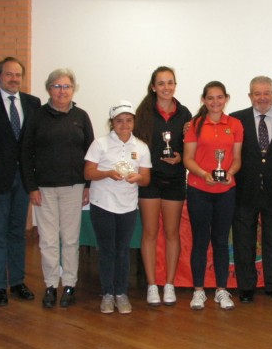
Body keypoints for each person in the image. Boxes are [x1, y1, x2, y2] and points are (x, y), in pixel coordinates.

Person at [21, 68, 94, 309]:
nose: (62, 91)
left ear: (74, 89)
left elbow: (91, 154)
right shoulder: (36, 116)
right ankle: (51, 285)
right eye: (57, 86)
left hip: (74, 187)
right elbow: (25, 153)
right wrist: (31, 187)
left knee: (71, 239)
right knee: (48, 241)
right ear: (49, 89)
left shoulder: (81, 116)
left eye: (67, 87)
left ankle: (70, 285)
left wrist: (88, 185)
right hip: (44, 188)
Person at [0, 57, 41, 307]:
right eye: (8, 74)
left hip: (23, 178)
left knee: (18, 233)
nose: (14, 79)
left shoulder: (33, 103)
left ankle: (18, 282)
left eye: (18, 75)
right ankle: (0, 286)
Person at [231, 76, 272, 304]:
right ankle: (246, 287)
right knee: (243, 241)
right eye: (257, 93)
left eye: (266, 92)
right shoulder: (236, 120)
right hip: (243, 192)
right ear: (250, 96)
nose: (262, 97)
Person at [84, 100, 151, 314]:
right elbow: (88, 173)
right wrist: (107, 173)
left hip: (128, 205)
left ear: (134, 122)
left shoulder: (140, 147)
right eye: (119, 121)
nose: (124, 125)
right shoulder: (100, 144)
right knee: (106, 250)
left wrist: (137, 177)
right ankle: (107, 294)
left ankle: (121, 293)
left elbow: (146, 179)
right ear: (112, 122)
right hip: (102, 203)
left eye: (128, 120)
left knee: (122, 251)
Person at [133, 66, 191, 306]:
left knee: (171, 233)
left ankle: (168, 284)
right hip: (151, 180)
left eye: (171, 82)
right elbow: (136, 148)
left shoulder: (185, 113)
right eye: (162, 83)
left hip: (175, 179)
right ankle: (151, 285)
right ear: (153, 87)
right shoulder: (143, 113)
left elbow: (190, 147)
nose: (167, 87)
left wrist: (180, 157)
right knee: (149, 233)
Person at [183, 81, 243, 310]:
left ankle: (221, 290)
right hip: (199, 189)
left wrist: (230, 173)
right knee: (200, 241)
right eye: (210, 98)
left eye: (220, 97)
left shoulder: (235, 124)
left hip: (226, 191)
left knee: (220, 242)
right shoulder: (194, 125)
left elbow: (237, 158)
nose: (215, 102)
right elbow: (188, 158)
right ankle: (198, 291)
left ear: (226, 98)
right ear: (203, 100)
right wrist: (203, 174)